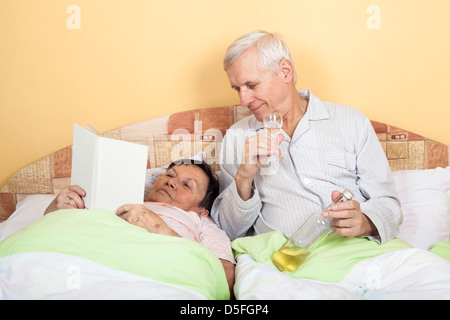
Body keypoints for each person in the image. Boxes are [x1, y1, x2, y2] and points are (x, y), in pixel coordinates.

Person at [211, 30, 403, 244]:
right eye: (237, 88)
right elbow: (226, 231)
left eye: (252, 85)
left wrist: (366, 221)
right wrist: (243, 178)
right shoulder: (237, 137)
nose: (243, 99)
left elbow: (389, 204)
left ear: (285, 71)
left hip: (356, 254)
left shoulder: (352, 122)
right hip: (282, 263)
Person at [44, 159, 235, 294]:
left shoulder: (202, 224)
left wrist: (161, 229)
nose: (171, 182)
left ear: (202, 210)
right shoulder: (122, 199)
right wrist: (55, 210)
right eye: (170, 175)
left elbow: (225, 280)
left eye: (186, 185)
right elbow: (55, 234)